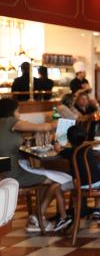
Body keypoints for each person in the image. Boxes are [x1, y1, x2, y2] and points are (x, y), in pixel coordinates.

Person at [0, 98, 67, 232]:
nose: (19, 115)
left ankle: (37, 216)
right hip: (14, 173)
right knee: (56, 181)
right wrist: (60, 122)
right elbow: (44, 127)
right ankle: (37, 217)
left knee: (43, 175)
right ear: (11, 111)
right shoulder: (10, 122)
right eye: (18, 111)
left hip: (4, 170)